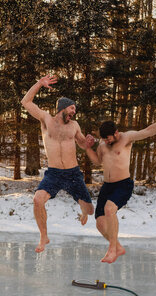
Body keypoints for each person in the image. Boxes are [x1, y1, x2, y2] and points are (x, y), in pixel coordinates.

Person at [84, 107, 156, 263]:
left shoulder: (126, 138)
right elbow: (98, 161)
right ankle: (118, 247)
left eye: (108, 138)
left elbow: (147, 131)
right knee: (100, 223)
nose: (106, 141)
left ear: (116, 133)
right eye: (104, 139)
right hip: (107, 186)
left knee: (109, 209)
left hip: (123, 185)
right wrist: (87, 148)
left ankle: (112, 250)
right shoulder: (102, 145)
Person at [21, 75, 94, 253]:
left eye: (75, 109)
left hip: (73, 174)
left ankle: (83, 211)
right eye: (71, 108)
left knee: (90, 211)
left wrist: (88, 143)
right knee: (38, 200)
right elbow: (26, 102)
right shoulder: (46, 119)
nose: (74, 111)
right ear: (62, 108)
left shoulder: (74, 125)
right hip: (54, 174)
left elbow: (82, 144)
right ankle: (43, 236)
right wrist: (39, 83)